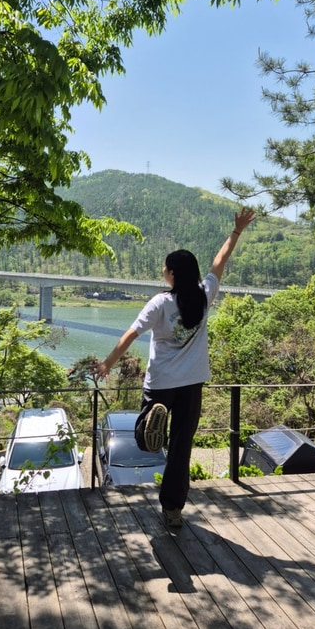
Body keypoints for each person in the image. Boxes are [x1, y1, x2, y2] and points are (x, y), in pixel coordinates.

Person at [96, 207, 255, 528]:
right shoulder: (205, 294)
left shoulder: (160, 302)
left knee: (144, 439)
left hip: (160, 385)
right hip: (191, 385)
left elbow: (131, 333)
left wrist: (108, 363)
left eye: (165, 268)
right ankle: (172, 510)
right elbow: (219, 261)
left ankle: (149, 428)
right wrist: (236, 230)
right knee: (181, 449)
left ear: (171, 273)